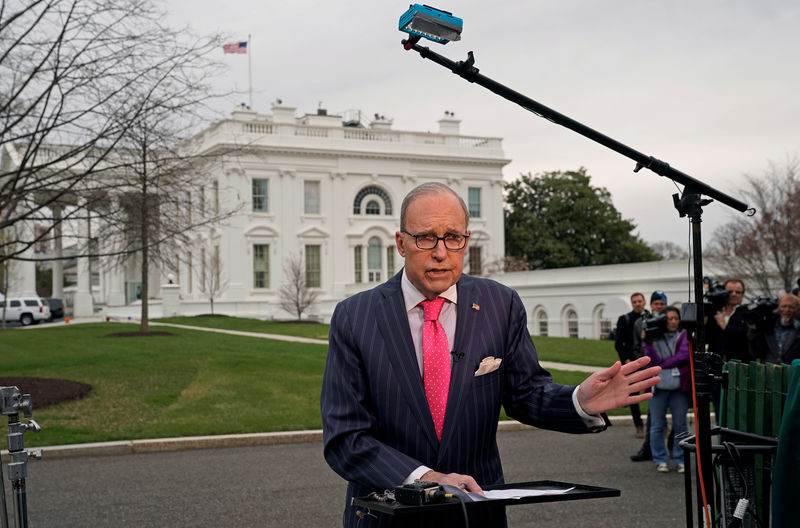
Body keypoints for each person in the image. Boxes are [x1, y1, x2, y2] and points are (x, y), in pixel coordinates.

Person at [320, 182, 661, 527]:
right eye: (426, 237)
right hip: (386, 516)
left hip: (475, 514)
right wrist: (425, 478)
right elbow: (345, 438)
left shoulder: (501, 304)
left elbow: (526, 394)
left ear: (466, 241)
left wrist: (579, 401)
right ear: (401, 243)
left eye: (453, 237)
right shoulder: (355, 316)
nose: (441, 252)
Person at [643, 306, 691, 473]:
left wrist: (662, 365)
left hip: (679, 388)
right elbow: (650, 359)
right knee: (657, 425)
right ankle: (660, 459)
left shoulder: (683, 334)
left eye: (676, 318)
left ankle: (680, 459)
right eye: (669, 318)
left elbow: (684, 355)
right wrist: (647, 341)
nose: (673, 321)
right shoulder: (654, 337)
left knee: (681, 425)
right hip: (658, 387)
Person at [630, 290, 668, 462]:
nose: (659, 307)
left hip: (672, 371)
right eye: (656, 304)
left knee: (680, 415)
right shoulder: (640, 323)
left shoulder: (671, 320)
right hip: (653, 371)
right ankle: (648, 449)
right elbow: (637, 347)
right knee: (654, 414)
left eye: (662, 304)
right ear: (651, 305)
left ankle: (675, 449)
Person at [706, 279, 750, 417]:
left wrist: (725, 326)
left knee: (739, 412)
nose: (734, 294)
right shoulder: (715, 311)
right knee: (721, 412)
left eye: (738, 291)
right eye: (730, 291)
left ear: (742, 294)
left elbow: (747, 336)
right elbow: (706, 337)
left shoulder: (747, 312)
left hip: (739, 370)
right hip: (716, 370)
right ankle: (722, 439)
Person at [615, 292, 648, 438]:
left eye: (639, 301)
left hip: (649, 360)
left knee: (654, 394)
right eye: (634, 302)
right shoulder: (625, 319)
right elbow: (618, 343)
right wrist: (626, 360)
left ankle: (661, 426)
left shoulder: (651, 317)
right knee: (634, 396)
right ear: (632, 303)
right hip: (632, 362)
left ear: (644, 302)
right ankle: (639, 426)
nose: (637, 304)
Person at [748, 293, 800, 364]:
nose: (787, 310)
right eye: (784, 306)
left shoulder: (798, 329)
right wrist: (754, 329)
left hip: (791, 371)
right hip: (768, 370)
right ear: (778, 308)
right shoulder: (768, 326)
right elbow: (756, 352)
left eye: (791, 307)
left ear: (797, 310)